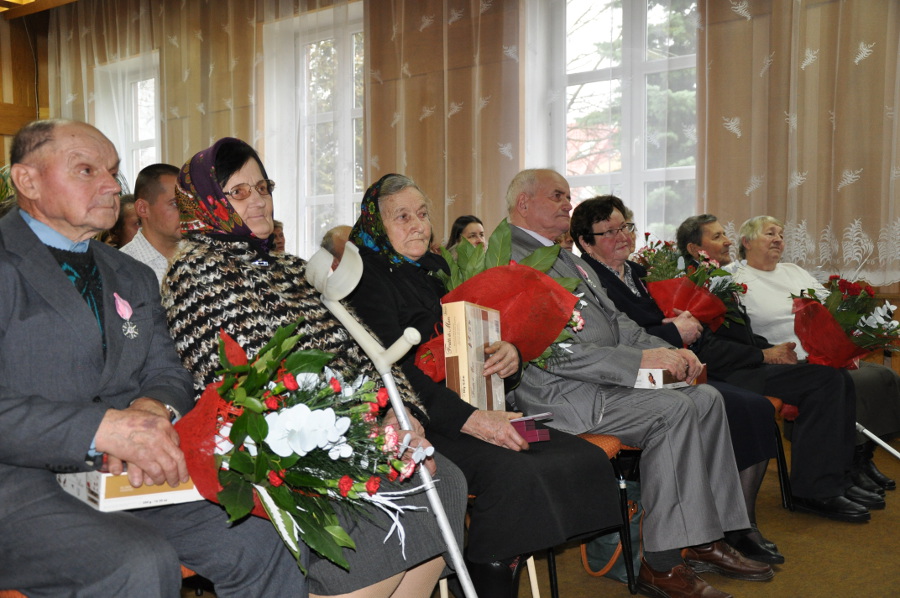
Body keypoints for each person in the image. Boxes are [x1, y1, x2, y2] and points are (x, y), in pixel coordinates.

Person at [0, 119, 308, 596]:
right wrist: (102, 429)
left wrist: (149, 415)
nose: (110, 186)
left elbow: (167, 369)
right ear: (28, 181)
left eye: (113, 171)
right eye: (86, 170)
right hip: (17, 483)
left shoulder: (130, 273)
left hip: (128, 474)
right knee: (139, 563)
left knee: (263, 538)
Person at [162, 138, 467, 598]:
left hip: (344, 425)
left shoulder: (291, 267)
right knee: (377, 506)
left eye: (262, 186)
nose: (260, 199)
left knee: (442, 479)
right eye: (239, 192)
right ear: (207, 202)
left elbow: (367, 348)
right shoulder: (195, 269)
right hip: (275, 440)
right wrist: (353, 430)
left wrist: (400, 415)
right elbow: (239, 383)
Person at [344, 173, 621, 597]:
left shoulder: (439, 267)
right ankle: (483, 575)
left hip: (474, 403)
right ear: (377, 225)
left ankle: (493, 563)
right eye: (402, 217)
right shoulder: (365, 279)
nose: (418, 224)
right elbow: (394, 371)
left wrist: (509, 355)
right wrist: (474, 420)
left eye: (422, 214)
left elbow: (475, 339)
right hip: (419, 416)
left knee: (574, 453)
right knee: (514, 472)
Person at [505, 168, 774, 598]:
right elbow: (552, 352)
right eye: (557, 195)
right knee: (674, 410)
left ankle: (706, 537)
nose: (566, 204)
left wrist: (670, 351)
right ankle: (662, 565)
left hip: (605, 382)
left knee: (707, 399)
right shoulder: (510, 259)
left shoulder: (570, 259)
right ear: (524, 203)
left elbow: (619, 322)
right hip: (562, 395)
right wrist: (642, 361)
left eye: (567, 196)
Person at [571, 196, 782, 564]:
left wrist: (679, 330)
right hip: (632, 376)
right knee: (739, 405)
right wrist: (674, 335)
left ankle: (736, 522)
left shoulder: (636, 271)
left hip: (668, 367)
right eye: (609, 232)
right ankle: (722, 530)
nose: (622, 236)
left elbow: (646, 328)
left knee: (746, 407)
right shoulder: (591, 279)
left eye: (625, 227)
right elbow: (620, 341)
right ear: (586, 243)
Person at [675, 214, 881, 520]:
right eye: (717, 237)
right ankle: (815, 490)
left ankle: (836, 478)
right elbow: (708, 349)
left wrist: (768, 348)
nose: (728, 241)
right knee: (825, 381)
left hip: (746, 365)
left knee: (833, 377)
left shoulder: (715, 279)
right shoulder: (688, 285)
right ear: (694, 248)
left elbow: (739, 334)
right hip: (726, 376)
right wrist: (764, 355)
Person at [728, 215, 900, 494]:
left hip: (823, 354)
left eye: (781, 235)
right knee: (846, 382)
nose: (778, 239)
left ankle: (860, 458)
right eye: (770, 233)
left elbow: (829, 309)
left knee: (883, 377)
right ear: (746, 242)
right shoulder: (734, 277)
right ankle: (843, 467)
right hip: (785, 359)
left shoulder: (793, 270)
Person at [120, 163, 182, 284]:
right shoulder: (122, 267)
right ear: (143, 209)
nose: (187, 212)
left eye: (189, 203)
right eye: (175, 204)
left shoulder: (203, 257)